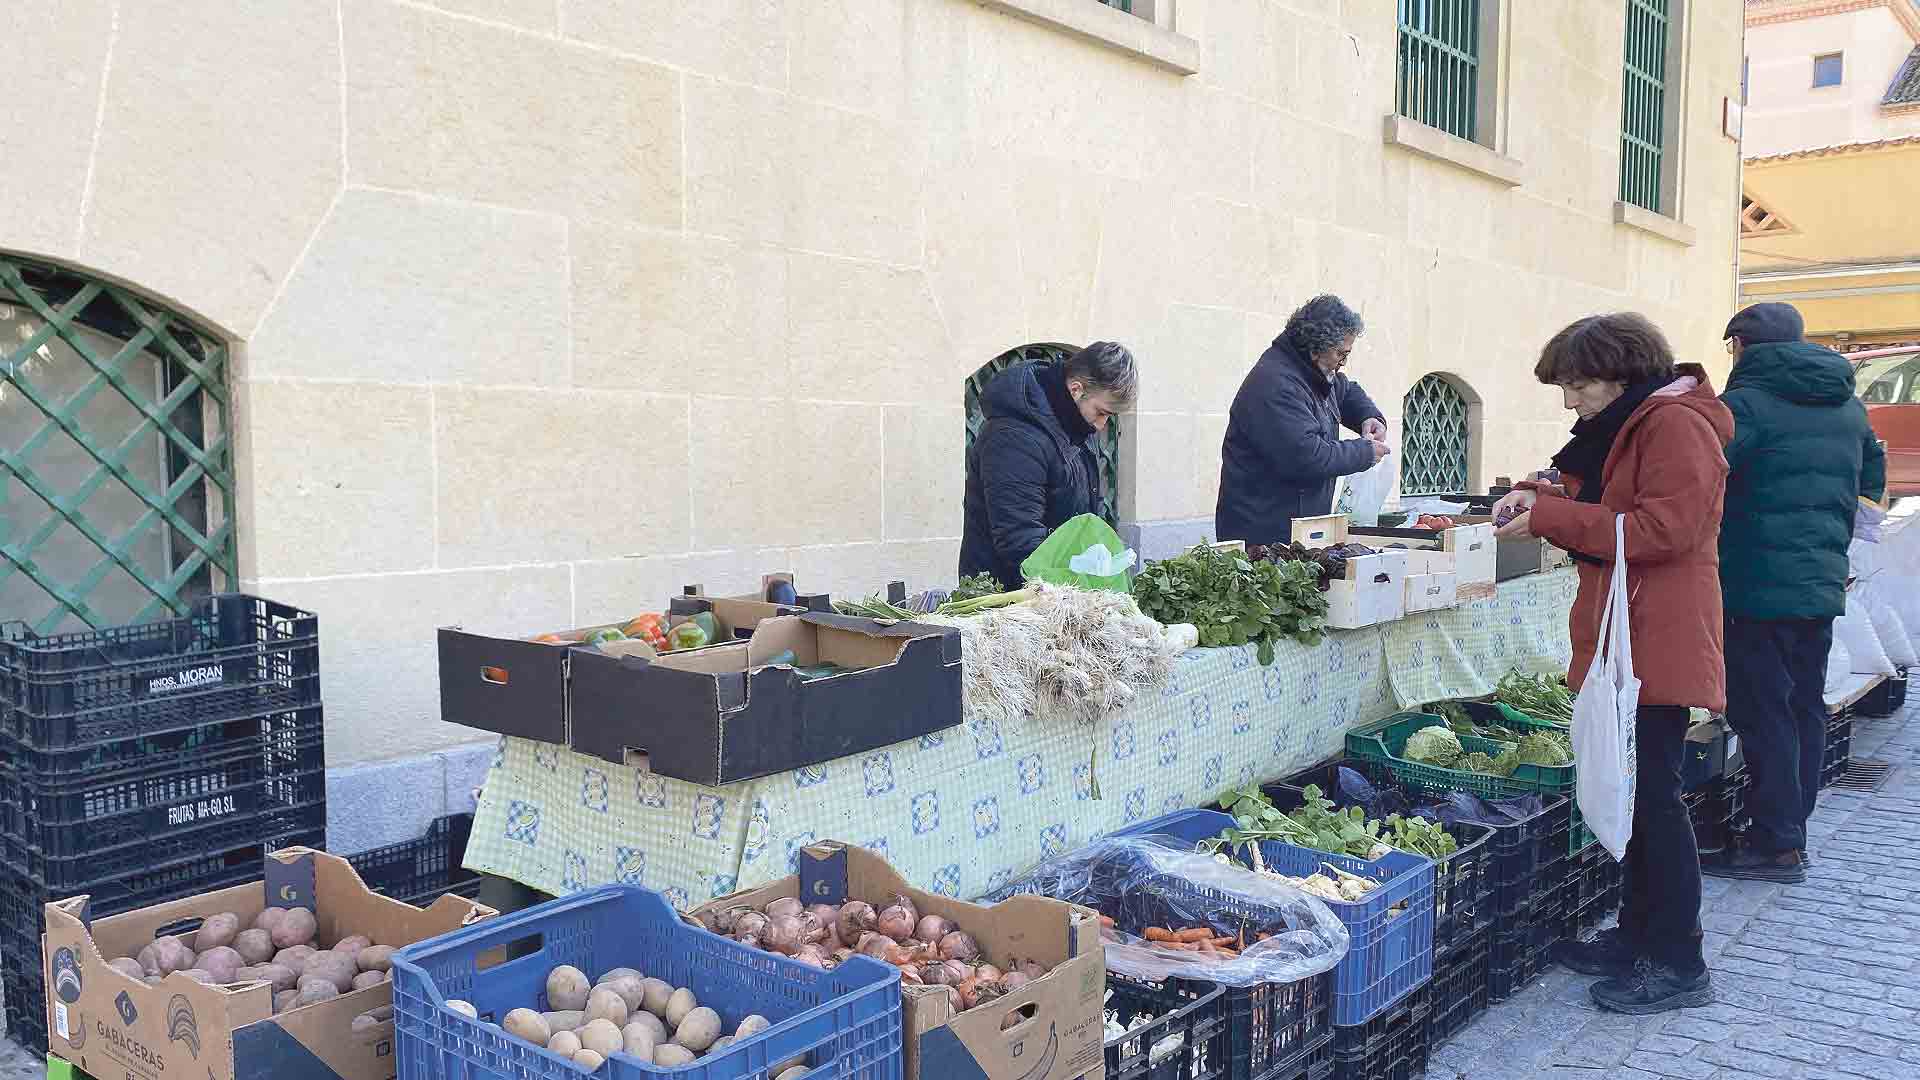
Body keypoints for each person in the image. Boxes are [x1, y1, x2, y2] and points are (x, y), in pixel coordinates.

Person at [1492, 313, 1732, 1015]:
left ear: (1623, 372)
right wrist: (1543, 499)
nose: (1572, 402)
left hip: (1656, 632)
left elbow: (1663, 530)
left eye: (1580, 385)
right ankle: (1634, 937)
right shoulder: (1639, 422)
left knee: (1655, 798)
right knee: (1635, 793)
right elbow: (1615, 508)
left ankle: (1681, 961)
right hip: (1630, 626)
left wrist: (1548, 519)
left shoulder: (1674, 424)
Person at [1702, 303, 1885, 885]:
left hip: (1755, 586)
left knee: (1762, 713)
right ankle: (1791, 830)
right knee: (1804, 705)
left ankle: (1775, 843)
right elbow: (1872, 487)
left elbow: (1699, 474)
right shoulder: (1849, 406)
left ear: (1741, 346)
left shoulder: (1745, 405)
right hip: (1820, 583)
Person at [960, 342, 1138, 590]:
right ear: (1076, 390)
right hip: (1011, 597)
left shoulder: (1074, 427)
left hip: (1057, 589)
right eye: (1101, 412)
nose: (1101, 425)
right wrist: (1074, 592)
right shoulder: (1015, 437)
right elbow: (1020, 540)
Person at [1215, 295, 1391, 544]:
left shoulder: (1313, 371)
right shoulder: (1275, 383)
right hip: (1265, 533)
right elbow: (1307, 456)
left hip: (1299, 527)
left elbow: (1346, 391)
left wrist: (1368, 416)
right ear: (1316, 347)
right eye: (1341, 354)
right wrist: (1364, 453)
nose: (1343, 362)